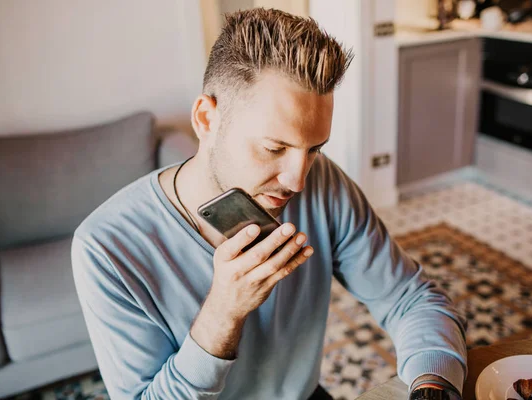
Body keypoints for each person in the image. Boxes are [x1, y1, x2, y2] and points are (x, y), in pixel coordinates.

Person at [71, 8, 467, 400]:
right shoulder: (106, 246)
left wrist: (433, 385)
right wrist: (223, 313)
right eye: (274, 148)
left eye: (313, 149)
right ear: (206, 119)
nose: (298, 180)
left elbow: (409, 297)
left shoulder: (322, 181)